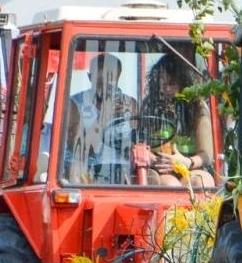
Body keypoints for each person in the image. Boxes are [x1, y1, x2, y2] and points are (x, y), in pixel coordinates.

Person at [140, 54, 215, 187]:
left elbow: (206, 155)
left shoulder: (197, 107)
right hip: (159, 169)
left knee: (202, 182)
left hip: (190, 166)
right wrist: (152, 158)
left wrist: (187, 162)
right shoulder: (149, 106)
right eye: (162, 83)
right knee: (171, 186)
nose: (166, 89)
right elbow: (139, 143)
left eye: (172, 84)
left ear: (183, 83)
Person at [64, 54, 140, 183]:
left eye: (110, 80)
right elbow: (79, 150)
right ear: (89, 77)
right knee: (75, 172)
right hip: (86, 167)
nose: (105, 87)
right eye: (100, 82)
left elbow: (136, 145)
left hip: (120, 168)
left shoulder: (130, 104)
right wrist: (104, 116)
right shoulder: (75, 103)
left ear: (118, 77)